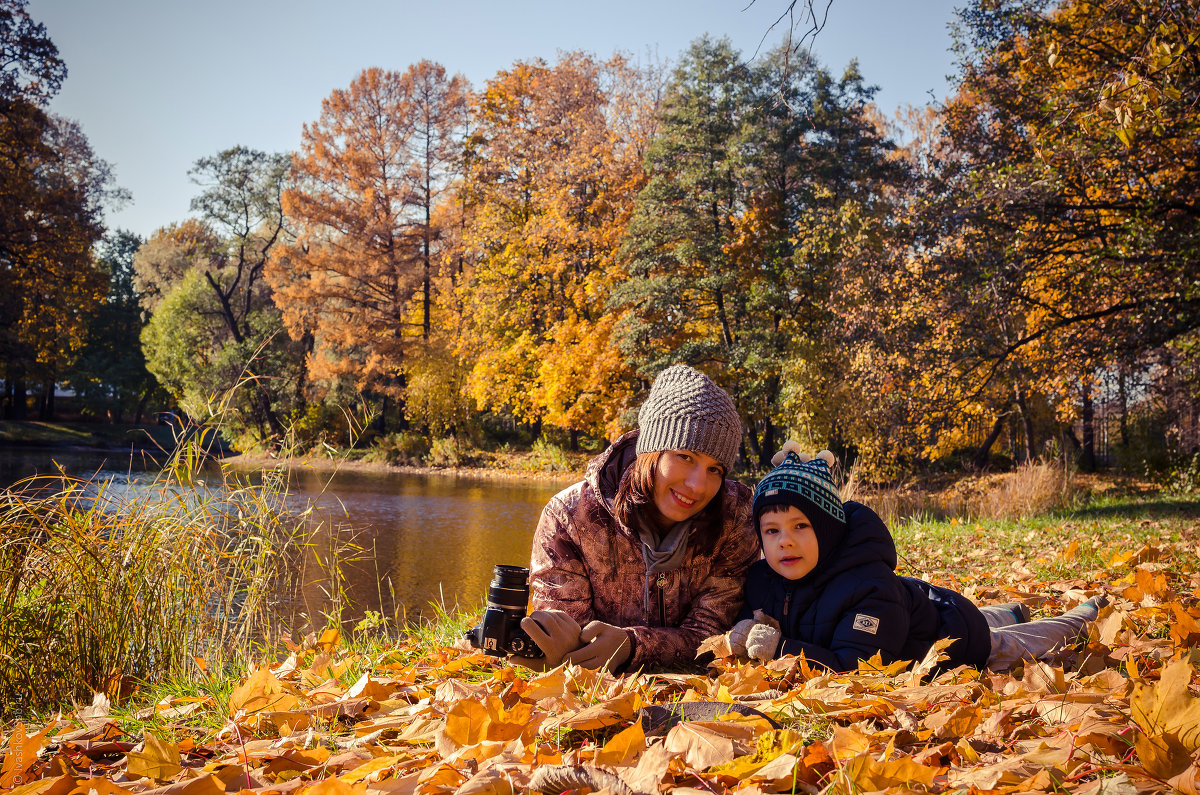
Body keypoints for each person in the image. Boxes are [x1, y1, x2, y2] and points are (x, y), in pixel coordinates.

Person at [729, 446, 1107, 672]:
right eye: (772, 530)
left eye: (801, 526)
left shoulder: (867, 587)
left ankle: (1082, 617)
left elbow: (859, 667)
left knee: (1007, 644)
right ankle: (1011, 608)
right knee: (987, 618)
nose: (785, 542)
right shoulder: (764, 579)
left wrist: (780, 649)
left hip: (948, 637)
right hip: (915, 609)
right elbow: (756, 622)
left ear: (828, 533)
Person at [516, 364, 760, 672]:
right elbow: (566, 640)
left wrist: (634, 647)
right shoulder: (569, 518)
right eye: (685, 457)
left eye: (715, 470)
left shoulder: (735, 516)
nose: (698, 486)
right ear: (651, 452)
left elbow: (714, 636)